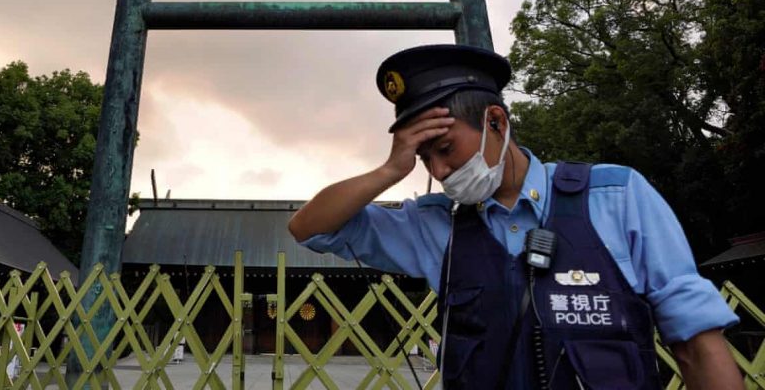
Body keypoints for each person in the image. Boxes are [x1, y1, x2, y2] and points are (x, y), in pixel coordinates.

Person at [288, 44, 742, 389]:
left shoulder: (616, 197)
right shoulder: (434, 227)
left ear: (497, 122)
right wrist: (391, 169)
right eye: (424, 158)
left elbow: (697, 343)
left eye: (445, 149)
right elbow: (309, 228)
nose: (440, 171)